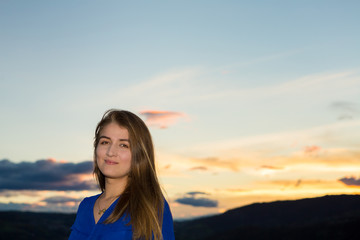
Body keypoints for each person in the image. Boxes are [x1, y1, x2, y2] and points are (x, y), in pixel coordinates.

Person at [68, 109, 175, 240]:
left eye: (123, 145)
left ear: (139, 154)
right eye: (105, 142)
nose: (111, 152)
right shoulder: (85, 206)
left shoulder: (150, 207)